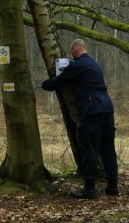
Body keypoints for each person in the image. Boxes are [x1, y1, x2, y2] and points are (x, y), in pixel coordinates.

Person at [42, 39, 118, 198]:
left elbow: (59, 81)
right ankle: (112, 187)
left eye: (72, 52)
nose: (72, 55)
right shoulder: (95, 65)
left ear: (76, 48)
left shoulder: (77, 65)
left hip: (91, 110)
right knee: (108, 148)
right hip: (107, 108)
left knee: (89, 149)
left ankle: (89, 189)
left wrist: (45, 84)